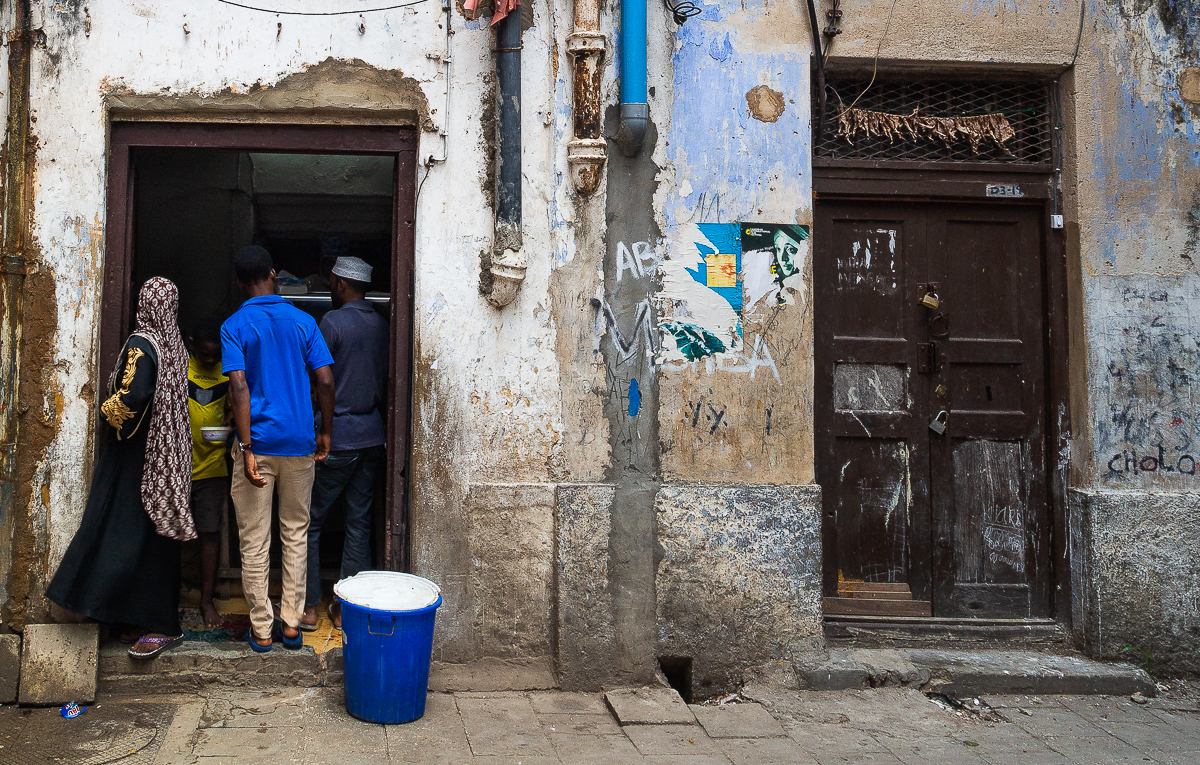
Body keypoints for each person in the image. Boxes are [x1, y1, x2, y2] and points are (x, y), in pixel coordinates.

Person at [46, 277, 196, 659]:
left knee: (123, 534)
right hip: (166, 457)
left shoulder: (143, 344)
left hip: (136, 457)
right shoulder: (176, 345)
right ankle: (143, 615)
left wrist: (103, 414)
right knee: (152, 541)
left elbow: (135, 393)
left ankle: (148, 618)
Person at [222, 245, 335, 652]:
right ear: (273, 273)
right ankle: (291, 623)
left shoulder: (234, 325)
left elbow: (238, 386)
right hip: (299, 444)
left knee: (253, 540)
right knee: (295, 532)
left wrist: (247, 447)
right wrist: (325, 430)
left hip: (258, 444)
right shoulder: (304, 322)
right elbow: (324, 380)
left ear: (239, 282)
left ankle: (262, 629)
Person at [303, 256, 388, 630]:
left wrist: (318, 427)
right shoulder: (382, 325)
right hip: (372, 434)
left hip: (337, 436)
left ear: (340, 284)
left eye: (332, 283)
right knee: (358, 522)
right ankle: (345, 609)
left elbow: (320, 380)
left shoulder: (332, 322)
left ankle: (306, 606)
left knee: (309, 521)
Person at [187, 315, 231, 628]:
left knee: (210, 533)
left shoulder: (227, 372)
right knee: (167, 534)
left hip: (213, 464)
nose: (210, 359)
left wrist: (230, 421)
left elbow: (240, 404)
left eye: (215, 354)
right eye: (205, 354)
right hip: (177, 465)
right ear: (192, 346)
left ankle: (206, 601)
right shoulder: (179, 369)